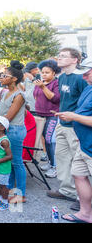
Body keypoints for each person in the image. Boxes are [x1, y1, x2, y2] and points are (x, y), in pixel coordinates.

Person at [47, 48, 88, 203]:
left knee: (79, 162)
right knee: (62, 158)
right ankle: (67, 190)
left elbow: (86, 104)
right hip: (61, 123)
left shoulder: (81, 78)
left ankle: (82, 197)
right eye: (59, 56)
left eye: (64, 56)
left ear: (75, 60)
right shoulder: (62, 77)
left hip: (76, 127)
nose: (59, 58)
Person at [56, 57, 92, 223]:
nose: (83, 77)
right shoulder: (88, 88)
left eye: (87, 73)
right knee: (78, 174)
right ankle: (85, 213)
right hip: (84, 143)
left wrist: (73, 117)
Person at [0, 60, 27, 204]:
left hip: (15, 130)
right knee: (11, 162)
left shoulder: (19, 95)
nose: (1, 77)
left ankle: (21, 194)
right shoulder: (6, 92)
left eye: (5, 75)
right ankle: (9, 189)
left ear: (14, 79)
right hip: (8, 129)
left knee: (17, 163)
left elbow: (8, 117)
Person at [33, 59, 61, 178]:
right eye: (42, 72)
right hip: (40, 115)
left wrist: (43, 87)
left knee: (49, 140)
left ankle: (55, 167)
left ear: (54, 73)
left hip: (52, 115)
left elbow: (55, 98)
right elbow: (35, 96)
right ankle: (50, 163)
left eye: (47, 72)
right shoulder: (40, 82)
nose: (44, 74)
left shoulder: (56, 83)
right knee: (45, 139)